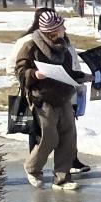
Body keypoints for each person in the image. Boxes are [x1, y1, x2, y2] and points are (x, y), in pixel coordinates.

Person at [15, 11, 89, 191]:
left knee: (68, 137)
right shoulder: (31, 46)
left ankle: (62, 178)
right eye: (61, 26)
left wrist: (83, 76)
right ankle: (32, 168)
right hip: (43, 99)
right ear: (52, 31)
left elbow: (69, 73)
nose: (64, 29)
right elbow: (20, 70)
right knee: (50, 137)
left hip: (64, 97)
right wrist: (34, 74)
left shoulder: (63, 47)